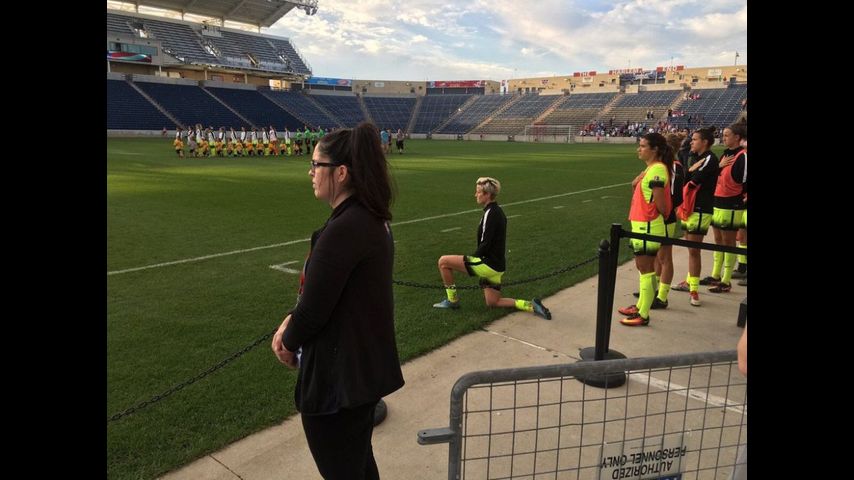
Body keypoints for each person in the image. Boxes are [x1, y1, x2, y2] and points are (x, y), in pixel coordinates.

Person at [271, 122, 405, 480]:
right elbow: (328, 293)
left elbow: (314, 310)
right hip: (357, 376)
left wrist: (288, 339)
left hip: (338, 384)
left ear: (341, 173)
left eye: (317, 165)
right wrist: (291, 319)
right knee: (358, 467)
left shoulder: (347, 227)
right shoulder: (365, 218)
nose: (311, 172)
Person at [433, 177, 552, 320]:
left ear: (487, 195)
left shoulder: (491, 214)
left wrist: (471, 260)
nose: (475, 195)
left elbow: (485, 244)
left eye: (478, 192)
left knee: (443, 262)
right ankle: (531, 305)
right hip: (497, 266)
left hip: (488, 264)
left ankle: (452, 301)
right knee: (493, 302)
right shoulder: (497, 211)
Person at [618, 133, 672, 326]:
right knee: (643, 268)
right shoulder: (651, 168)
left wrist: (657, 215)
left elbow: (663, 205)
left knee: (646, 269)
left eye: (642, 146)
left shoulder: (658, 169)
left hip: (649, 226)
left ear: (655, 149)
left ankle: (644, 314)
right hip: (642, 224)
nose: (638, 149)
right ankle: (640, 306)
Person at [671, 127, 719, 306]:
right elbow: (687, 173)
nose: (691, 142)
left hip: (699, 209)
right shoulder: (697, 157)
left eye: (695, 139)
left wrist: (690, 171)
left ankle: (694, 290)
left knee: (694, 250)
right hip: (690, 208)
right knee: (690, 248)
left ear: (705, 142)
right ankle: (690, 282)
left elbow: (692, 181)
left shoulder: (709, 159)